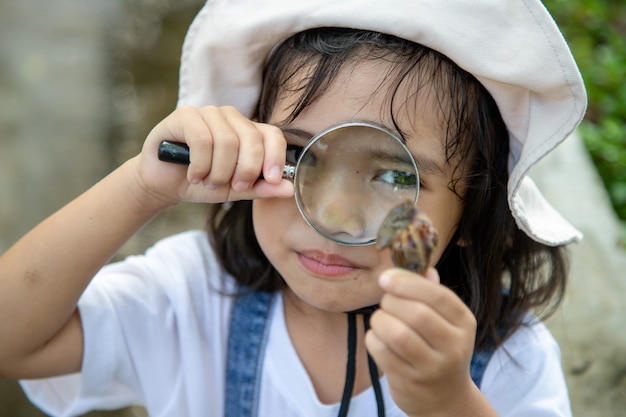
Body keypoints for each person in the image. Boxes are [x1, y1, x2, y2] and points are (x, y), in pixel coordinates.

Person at [0, 0, 586, 416]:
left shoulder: (510, 363)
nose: (332, 216)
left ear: (474, 214)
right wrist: (142, 187)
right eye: (301, 152)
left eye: (392, 174)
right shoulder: (193, 295)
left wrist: (450, 404)